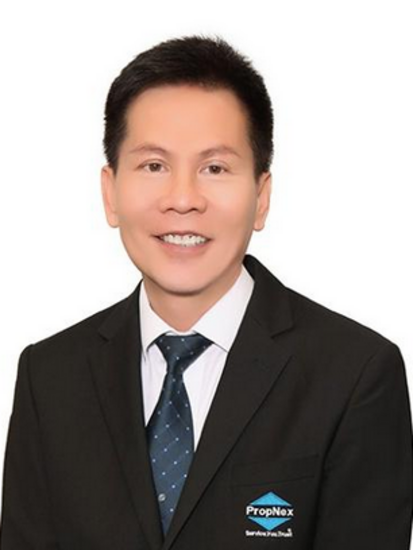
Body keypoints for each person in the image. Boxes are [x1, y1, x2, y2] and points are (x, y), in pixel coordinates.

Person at [0, 34, 411, 550]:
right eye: (154, 166)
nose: (182, 199)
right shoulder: (49, 376)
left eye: (214, 168)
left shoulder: (355, 375)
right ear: (110, 192)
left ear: (261, 196)